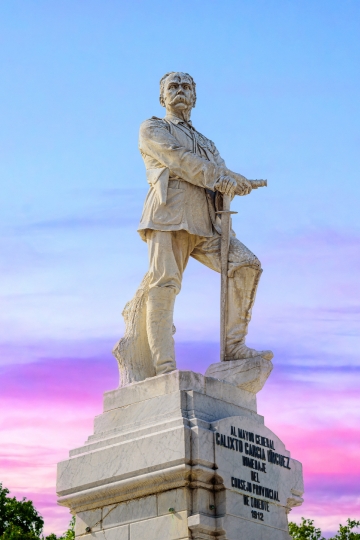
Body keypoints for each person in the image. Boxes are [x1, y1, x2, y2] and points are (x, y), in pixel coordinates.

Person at [137, 71, 273, 376]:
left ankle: (234, 347)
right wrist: (223, 177)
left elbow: (220, 172)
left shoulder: (207, 143)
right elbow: (179, 160)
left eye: (186, 87)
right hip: (169, 213)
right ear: (162, 97)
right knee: (165, 284)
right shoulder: (154, 127)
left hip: (208, 222)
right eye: (173, 87)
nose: (180, 90)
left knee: (245, 265)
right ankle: (164, 368)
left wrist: (236, 182)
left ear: (194, 97)